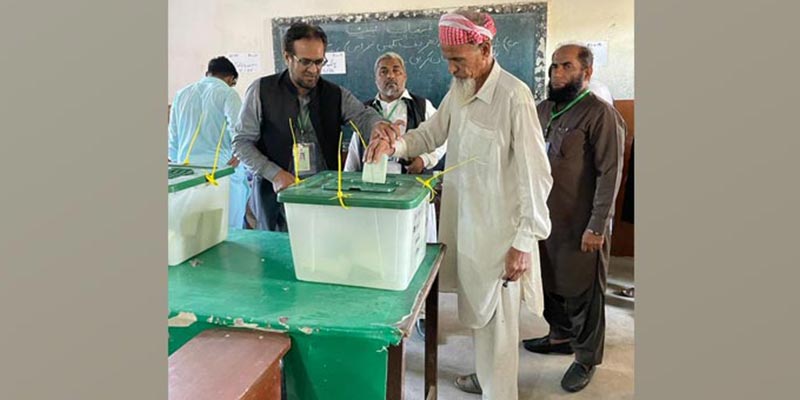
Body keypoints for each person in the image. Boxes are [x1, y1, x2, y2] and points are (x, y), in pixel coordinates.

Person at [365, 10, 552, 400]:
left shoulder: (513, 97)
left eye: (458, 60)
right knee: (481, 325)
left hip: (501, 239)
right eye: (447, 59)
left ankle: (499, 393)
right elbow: (431, 134)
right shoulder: (460, 91)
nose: (451, 68)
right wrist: (394, 146)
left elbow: (537, 176)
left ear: (484, 49)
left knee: (500, 332)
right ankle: (486, 380)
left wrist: (523, 241)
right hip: (466, 231)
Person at [521, 44, 626, 393]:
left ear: (587, 72)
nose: (557, 73)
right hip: (545, 222)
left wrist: (598, 224)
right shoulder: (543, 110)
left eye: (566, 66)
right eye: (553, 66)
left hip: (581, 226)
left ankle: (585, 358)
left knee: (584, 294)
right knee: (551, 284)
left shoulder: (600, 115)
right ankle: (560, 336)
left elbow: (610, 173)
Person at [232, 22, 396, 231]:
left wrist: (378, 126)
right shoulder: (262, 91)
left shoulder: (335, 94)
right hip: (277, 198)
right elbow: (241, 143)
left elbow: (363, 116)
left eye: (319, 62)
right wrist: (274, 173)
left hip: (324, 197)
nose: (313, 70)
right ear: (287, 57)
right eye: (305, 62)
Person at [345, 51, 447, 339]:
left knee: (420, 250)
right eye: (383, 71)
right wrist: (349, 186)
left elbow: (442, 141)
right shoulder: (365, 110)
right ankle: (382, 309)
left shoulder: (422, 106)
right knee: (378, 253)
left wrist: (424, 161)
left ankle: (424, 313)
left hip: (412, 190)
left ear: (405, 75)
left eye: (396, 70)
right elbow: (354, 152)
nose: (390, 75)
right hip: (373, 193)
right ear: (375, 77)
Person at [168, 56, 250, 228]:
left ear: (208, 73)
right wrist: (239, 154)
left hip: (187, 175)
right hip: (220, 174)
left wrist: (178, 164)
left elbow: (173, 139)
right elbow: (238, 130)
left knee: (193, 231)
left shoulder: (181, 95)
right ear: (231, 79)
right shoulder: (228, 94)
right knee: (227, 230)